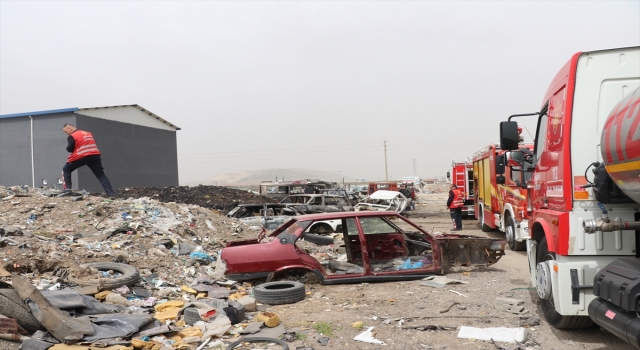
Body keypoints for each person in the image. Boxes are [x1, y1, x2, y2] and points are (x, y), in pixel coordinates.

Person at [62, 124, 115, 197]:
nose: (66, 133)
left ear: (70, 128)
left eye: (66, 131)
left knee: (66, 169)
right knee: (101, 176)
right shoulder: (88, 133)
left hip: (82, 156)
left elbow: (69, 149)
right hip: (94, 155)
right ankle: (111, 194)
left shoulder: (73, 136)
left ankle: (67, 190)